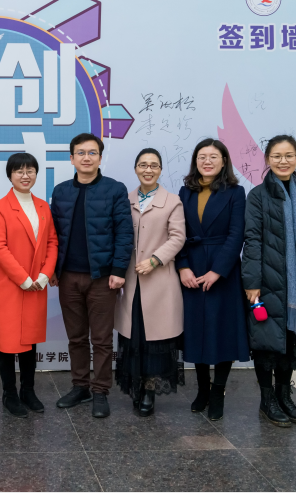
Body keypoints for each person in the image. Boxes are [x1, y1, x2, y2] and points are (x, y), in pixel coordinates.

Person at [242, 134, 296, 428]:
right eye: (276, 156)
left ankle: (284, 396)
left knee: (291, 339)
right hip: (268, 280)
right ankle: (267, 400)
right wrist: (252, 283)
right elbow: (252, 241)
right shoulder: (257, 196)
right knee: (266, 342)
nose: (283, 161)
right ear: (267, 159)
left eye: (289, 155)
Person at [50, 133, 133, 418]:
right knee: (76, 338)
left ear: (100, 157)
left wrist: (119, 271)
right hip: (67, 277)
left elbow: (124, 233)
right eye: (81, 153)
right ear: (71, 158)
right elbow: (53, 235)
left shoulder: (114, 189)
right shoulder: (61, 191)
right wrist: (53, 269)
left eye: (92, 153)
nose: (87, 158)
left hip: (102, 277)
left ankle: (100, 391)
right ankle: (80, 387)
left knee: (101, 339)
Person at [176, 138, 249, 421]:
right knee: (196, 330)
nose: (207, 161)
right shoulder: (185, 191)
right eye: (202, 157)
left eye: (213, 157)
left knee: (222, 330)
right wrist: (182, 266)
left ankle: (218, 391)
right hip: (192, 267)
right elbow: (177, 232)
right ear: (195, 161)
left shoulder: (236, 192)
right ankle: (203, 389)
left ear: (223, 161)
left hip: (223, 269)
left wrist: (218, 271)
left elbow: (236, 234)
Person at [115, 148, 186, 417]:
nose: (148, 170)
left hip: (159, 282)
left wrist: (155, 260)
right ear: (135, 168)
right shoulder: (125, 199)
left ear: (160, 170)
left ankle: (150, 391)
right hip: (131, 281)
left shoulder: (172, 201)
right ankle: (135, 386)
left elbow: (178, 237)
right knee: (133, 337)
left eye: (154, 165)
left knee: (154, 339)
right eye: (143, 165)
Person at [0, 153, 58, 417]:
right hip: (10, 285)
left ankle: (28, 390)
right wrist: (23, 278)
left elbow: (52, 242)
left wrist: (45, 274)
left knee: (31, 339)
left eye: (30, 170)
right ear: (10, 175)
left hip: (37, 285)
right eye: (19, 171)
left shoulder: (43, 206)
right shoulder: (0, 208)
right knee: (7, 341)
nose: (25, 175)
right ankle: (9, 393)